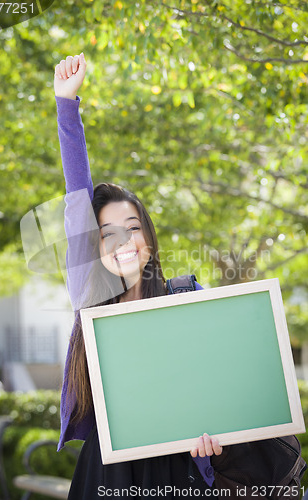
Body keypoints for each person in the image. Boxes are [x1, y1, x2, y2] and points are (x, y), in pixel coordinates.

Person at [53, 53, 306, 499]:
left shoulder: (185, 298)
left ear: (148, 239)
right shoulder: (92, 298)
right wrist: (66, 105)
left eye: (133, 229)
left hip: (177, 470)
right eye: (108, 233)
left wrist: (217, 440)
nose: (123, 242)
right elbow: (77, 197)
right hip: (107, 472)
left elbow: (229, 380)